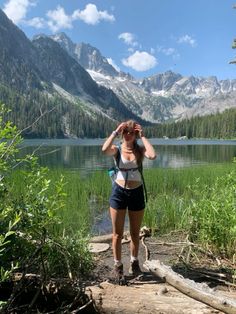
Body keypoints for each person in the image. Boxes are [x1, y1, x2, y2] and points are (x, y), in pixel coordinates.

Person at [102, 120, 156, 282]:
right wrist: (115, 132)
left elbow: (152, 155)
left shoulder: (140, 149)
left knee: (134, 233)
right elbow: (104, 150)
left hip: (137, 193)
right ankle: (118, 267)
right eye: (125, 132)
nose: (127, 135)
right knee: (117, 234)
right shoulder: (117, 149)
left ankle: (134, 263)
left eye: (131, 132)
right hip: (118, 193)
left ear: (135, 134)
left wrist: (144, 136)